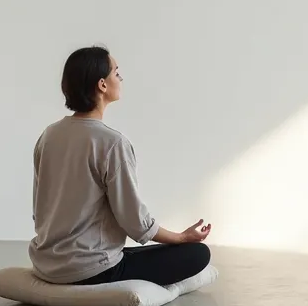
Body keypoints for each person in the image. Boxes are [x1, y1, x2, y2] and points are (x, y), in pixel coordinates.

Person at [28, 45, 213, 286]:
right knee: (198, 254)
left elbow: (38, 208)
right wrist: (181, 237)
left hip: (47, 264)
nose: (120, 78)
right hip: (90, 271)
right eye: (116, 72)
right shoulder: (112, 143)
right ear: (102, 85)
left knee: (128, 254)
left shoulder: (49, 135)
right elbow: (134, 221)